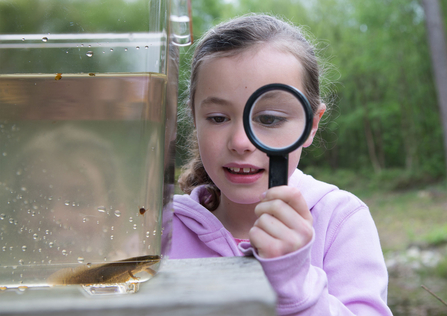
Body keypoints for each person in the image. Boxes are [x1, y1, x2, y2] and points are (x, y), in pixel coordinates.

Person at [171, 14, 393, 315]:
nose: (240, 141)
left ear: (311, 125)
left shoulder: (340, 221)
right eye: (218, 118)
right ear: (194, 120)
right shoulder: (161, 230)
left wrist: (296, 284)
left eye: (269, 119)